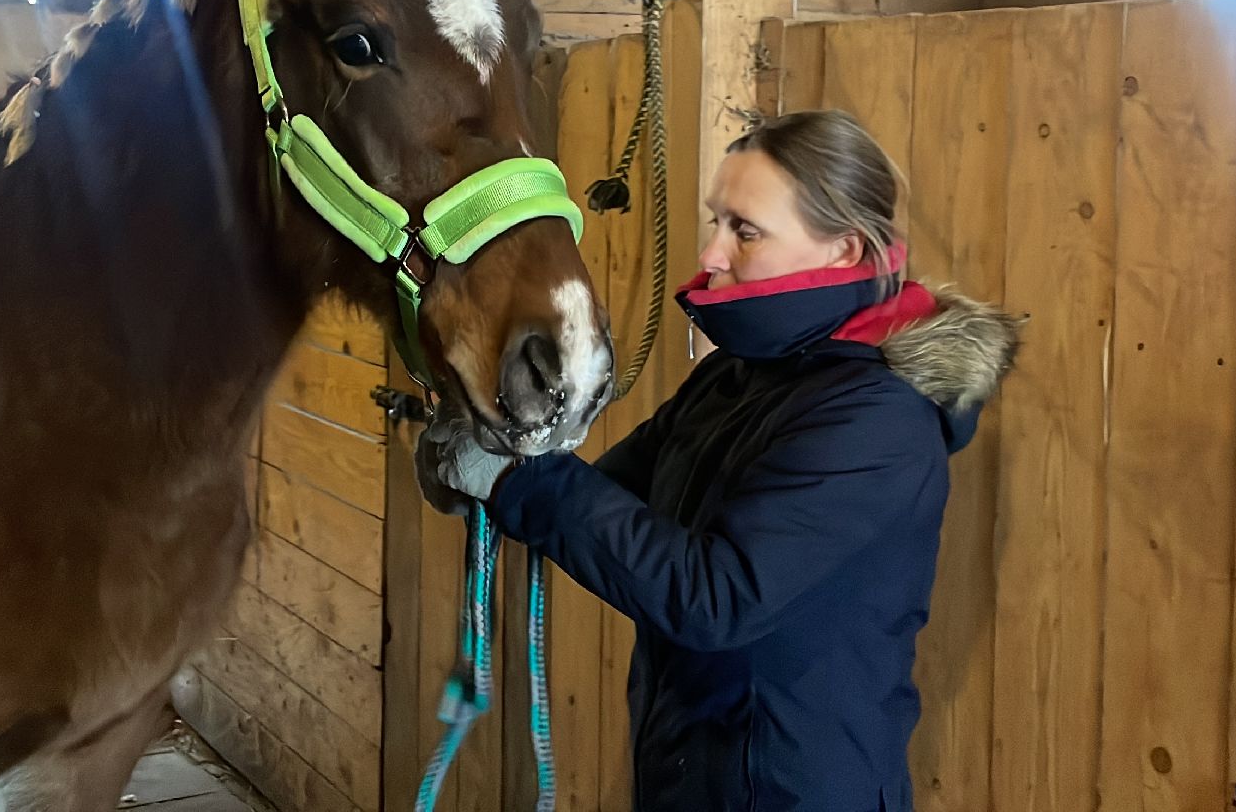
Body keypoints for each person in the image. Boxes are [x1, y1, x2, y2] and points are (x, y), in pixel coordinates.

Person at [422, 109, 1021, 812]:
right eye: (716, 221)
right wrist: (500, 464)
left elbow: (716, 597)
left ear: (843, 250)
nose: (711, 253)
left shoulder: (875, 420)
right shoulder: (741, 374)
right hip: (696, 773)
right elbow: (616, 493)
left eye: (745, 230)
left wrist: (521, 482)